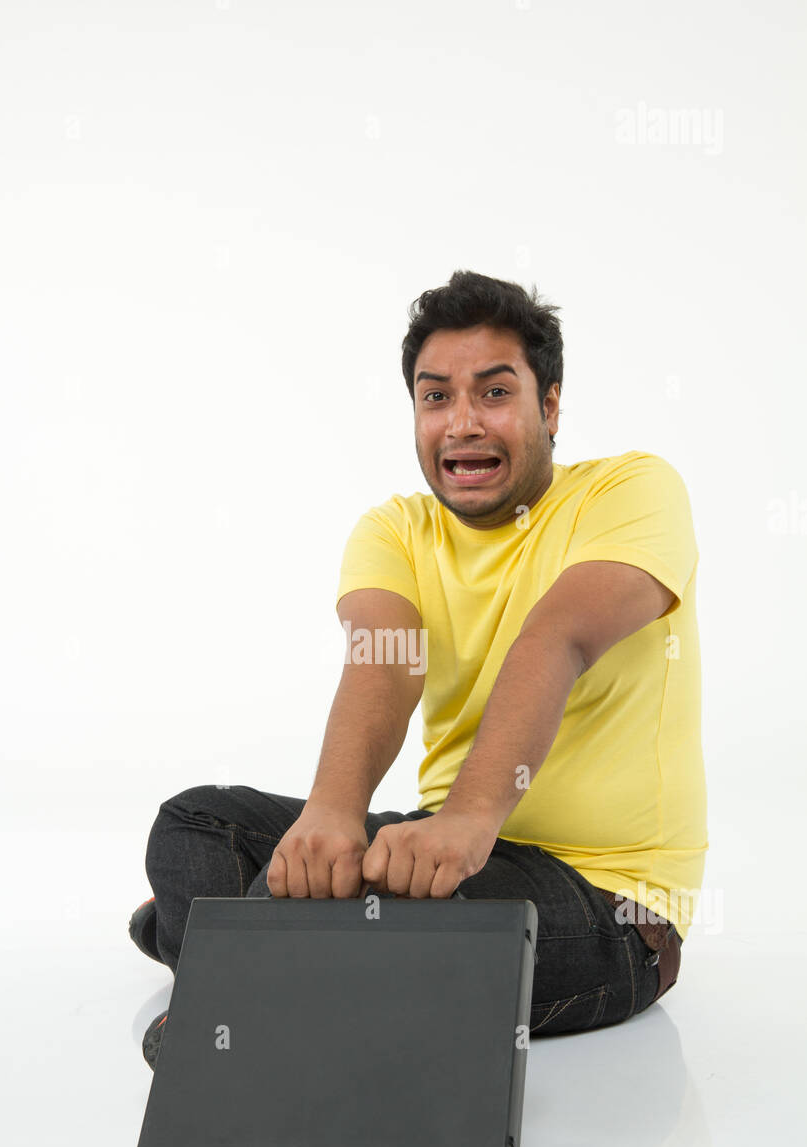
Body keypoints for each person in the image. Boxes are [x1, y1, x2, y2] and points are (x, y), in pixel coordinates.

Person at [129, 268, 708, 1068]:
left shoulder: (633, 491)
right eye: (436, 397)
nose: (462, 423)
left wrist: (471, 819)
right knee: (194, 825)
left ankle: (225, 973)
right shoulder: (396, 529)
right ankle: (277, 966)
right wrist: (333, 813)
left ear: (549, 406)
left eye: (494, 393)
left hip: (606, 903)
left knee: (374, 903)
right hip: (439, 851)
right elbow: (385, 662)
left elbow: (556, 641)